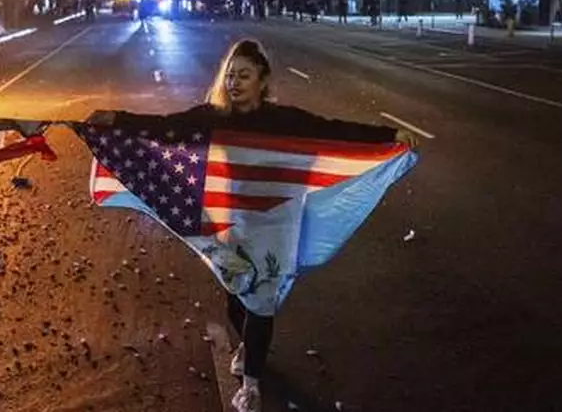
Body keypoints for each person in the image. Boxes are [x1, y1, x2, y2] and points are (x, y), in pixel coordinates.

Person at [88, 39, 419, 412]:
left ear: (263, 81)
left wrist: (387, 136)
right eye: (230, 75)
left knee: (260, 302)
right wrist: (116, 119)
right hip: (232, 223)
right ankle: (248, 345)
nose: (234, 82)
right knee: (236, 300)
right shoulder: (214, 117)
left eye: (244, 75)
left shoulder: (284, 121)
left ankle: (252, 384)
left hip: (274, 224)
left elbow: (333, 130)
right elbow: (167, 127)